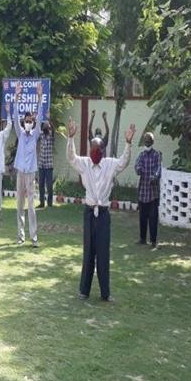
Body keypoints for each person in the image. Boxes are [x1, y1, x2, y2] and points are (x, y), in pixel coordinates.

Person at [67, 117, 135, 302]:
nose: (95, 152)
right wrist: (71, 138)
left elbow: (124, 162)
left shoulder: (110, 165)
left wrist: (128, 143)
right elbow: (71, 158)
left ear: (103, 151)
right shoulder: (85, 163)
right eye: (92, 149)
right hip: (89, 213)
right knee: (88, 252)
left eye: (98, 150)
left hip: (103, 214)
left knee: (103, 253)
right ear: (89, 151)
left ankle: (106, 293)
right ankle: (84, 291)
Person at [12, 81, 44, 247]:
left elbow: (40, 117)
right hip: (20, 173)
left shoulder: (35, 133)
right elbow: (15, 117)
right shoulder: (20, 133)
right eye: (27, 120)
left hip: (31, 173)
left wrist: (39, 98)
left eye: (30, 120)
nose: (28, 122)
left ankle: (34, 238)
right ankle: (20, 236)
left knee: (31, 206)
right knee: (19, 205)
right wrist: (17, 97)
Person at [134, 131, 162, 247]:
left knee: (153, 218)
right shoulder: (141, 155)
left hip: (153, 193)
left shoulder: (157, 155)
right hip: (143, 191)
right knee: (142, 217)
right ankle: (142, 239)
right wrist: (138, 169)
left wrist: (154, 177)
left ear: (152, 142)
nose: (147, 143)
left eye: (149, 141)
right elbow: (137, 166)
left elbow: (159, 169)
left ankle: (154, 241)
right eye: (145, 141)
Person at [36, 117, 55, 208]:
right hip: (41, 164)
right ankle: (42, 202)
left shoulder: (51, 136)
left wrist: (49, 119)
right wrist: (36, 119)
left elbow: (54, 130)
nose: (45, 127)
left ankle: (50, 203)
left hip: (49, 165)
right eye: (44, 126)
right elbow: (36, 130)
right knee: (41, 185)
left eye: (47, 126)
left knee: (49, 186)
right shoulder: (41, 135)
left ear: (49, 127)